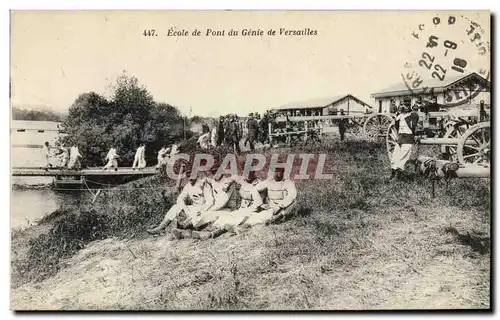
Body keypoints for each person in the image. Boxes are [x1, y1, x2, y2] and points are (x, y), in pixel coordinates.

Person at [147, 170, 213, 235]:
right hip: (194, 208)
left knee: (193, 222)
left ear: (196, 175)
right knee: (175, 207)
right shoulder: (188, 186)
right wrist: (186, 210)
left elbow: (210, 201)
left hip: (204, 209)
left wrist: (202, 210)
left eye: (192, 176)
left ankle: (186, 230)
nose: (190, 178)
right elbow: (180, 198)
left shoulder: (203, 184)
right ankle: (161, 227)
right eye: (188, 176)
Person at [390, 96, 419, 180]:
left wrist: (406, 113)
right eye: (403, 104)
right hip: (400, 138)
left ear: (410, 106)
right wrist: (399, 113)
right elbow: (395, 125)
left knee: (403, 158)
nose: (404, 106)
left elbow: (412, 125)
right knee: (395, 157)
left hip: (408, 138)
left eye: (406, 105)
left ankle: (399, 176)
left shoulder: (413, 115)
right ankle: (393, 174)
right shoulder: (400, 115)